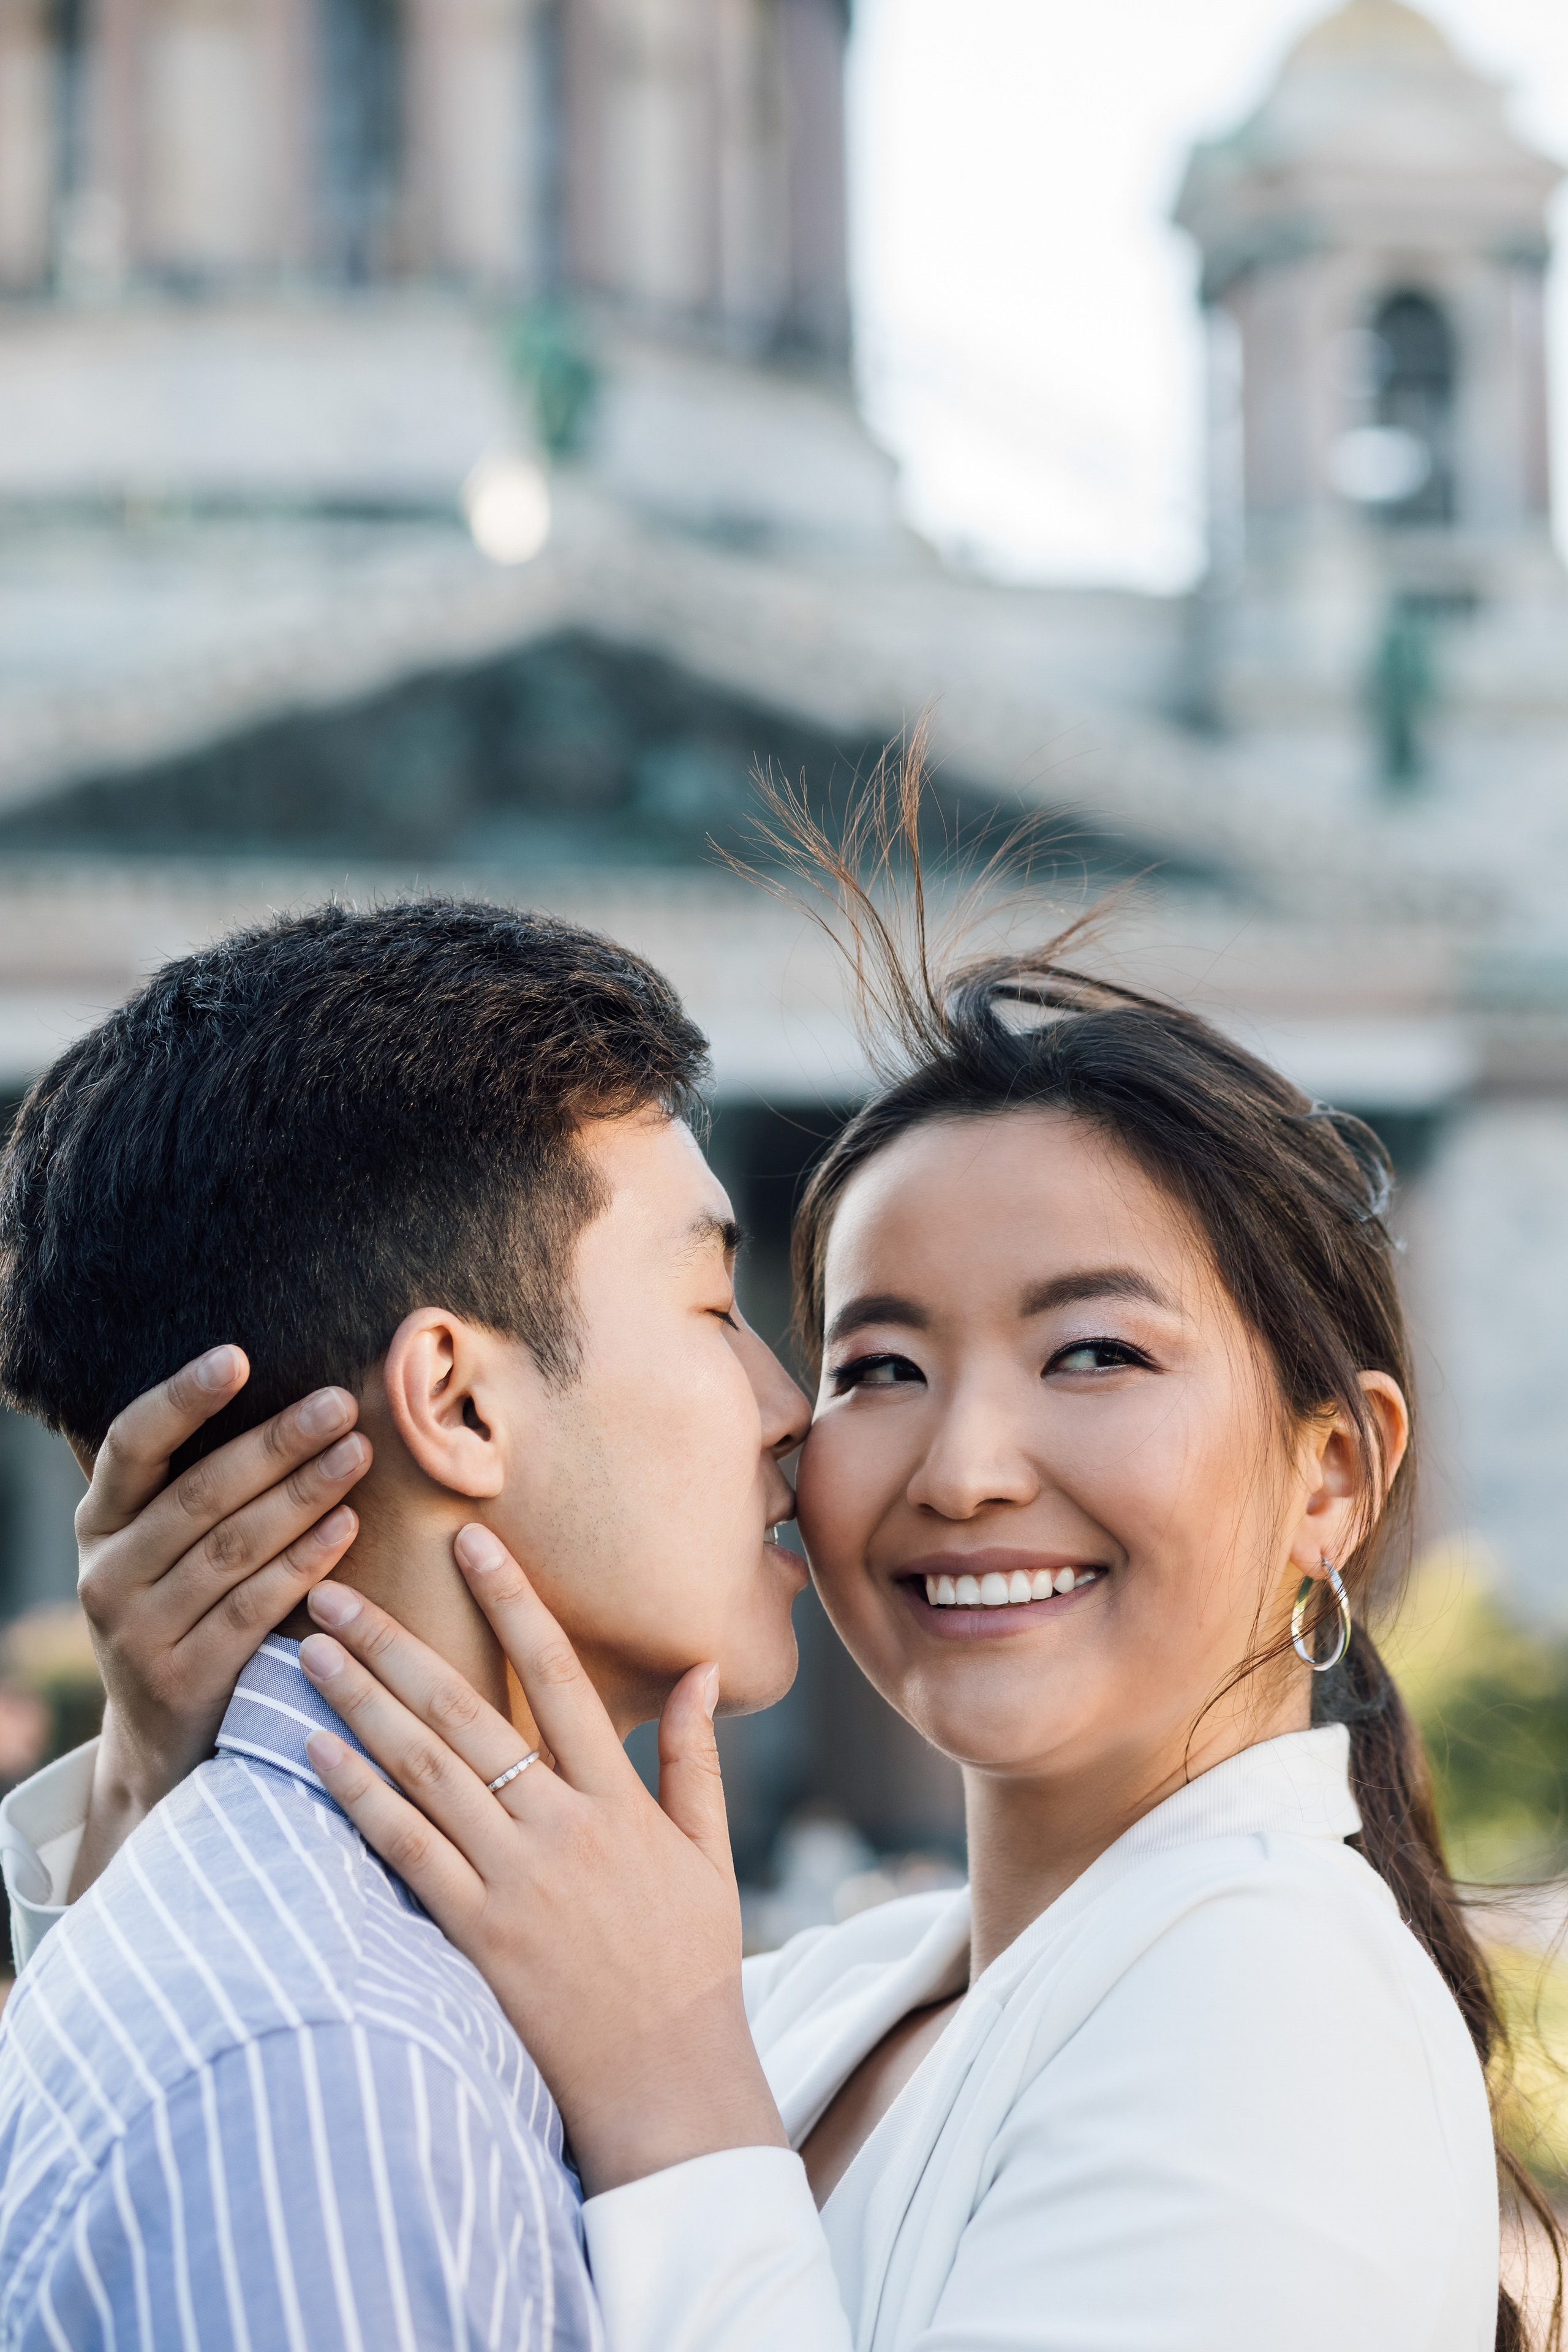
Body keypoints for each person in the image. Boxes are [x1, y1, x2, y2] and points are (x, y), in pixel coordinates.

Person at [3, 835, 1548, 2348]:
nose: (959, 1470)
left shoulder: (1277, 2005)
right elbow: (233, 2160)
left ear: (1331, 1475)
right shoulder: (805, 1993)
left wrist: (674, 2100)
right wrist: (156, 1795)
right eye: (875, 1365)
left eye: (1092, 1353)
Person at [0, 898, 809, 2348]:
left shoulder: (352, 1994)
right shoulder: (333, 2082)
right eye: (714, 1308)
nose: (789, 1405)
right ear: (456, 1401)